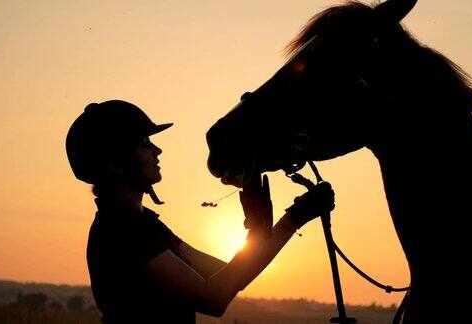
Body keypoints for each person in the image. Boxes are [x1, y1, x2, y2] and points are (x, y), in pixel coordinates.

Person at [65, 100, 335, 323]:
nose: (157, 150)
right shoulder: (122, 230)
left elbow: (222, 274)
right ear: (115, 164)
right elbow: (213, 297)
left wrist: (266, 227)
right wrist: (293, 219)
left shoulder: (144, 224)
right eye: (144, 143)